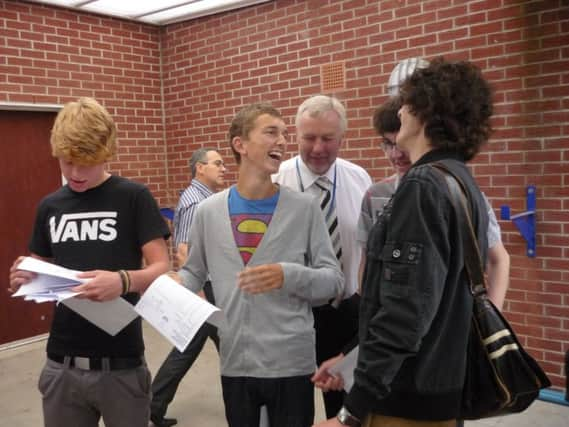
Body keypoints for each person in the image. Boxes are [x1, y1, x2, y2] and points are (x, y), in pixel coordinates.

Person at [314, 57, 496, 427]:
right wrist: (351, 356)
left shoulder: (422, 186)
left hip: (406, 399)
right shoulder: (458, 181)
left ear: (427, 113)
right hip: (442, 387)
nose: (400, 113)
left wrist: (352, 411)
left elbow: (403, 314)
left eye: (407, 104)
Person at [174, 103, 344, 427]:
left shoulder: (304, 209)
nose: (282, 141)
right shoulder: (207, 212)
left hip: (292, 363)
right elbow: (194, 271)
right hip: (236, 360)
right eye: (271, 132)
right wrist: (176, 282)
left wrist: (287, 275)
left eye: (284, 133)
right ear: (241, 145)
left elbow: (333, 281)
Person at [8, 97, 171, 427]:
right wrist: (22, 274)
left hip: (121, 365)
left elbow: (161, 267)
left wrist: (122, 281)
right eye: (67, 163)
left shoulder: (133, 197)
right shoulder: (50, 206)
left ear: (106, 153)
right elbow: (36, 263)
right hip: (61, 363)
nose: (76, 173)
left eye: (86, 162)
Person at [358, 97, 510, 310]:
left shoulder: (460, 193)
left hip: (447, 320)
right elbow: (367, 263)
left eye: (400, 144)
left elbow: (498, 259)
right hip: (391, 321)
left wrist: (492, 317)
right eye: (388, 144)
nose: (396, 154)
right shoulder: (375, 195)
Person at [272, 95, 372, 418]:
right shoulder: (275, 181)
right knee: (289, 409)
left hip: (346, 312)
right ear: (296, 136)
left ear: (343, 137)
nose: (317, 148)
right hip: (291, 315)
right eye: (309, 137)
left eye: (327, 138)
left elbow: (368, 247)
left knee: (344, 409)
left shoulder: (360, 180)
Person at [150, 148, 226, 427]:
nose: (223, 168)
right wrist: (199, 296)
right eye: (217, 163)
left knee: (189, 349)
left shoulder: (202, 198)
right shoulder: (196, 202)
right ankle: (245, 409)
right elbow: (184, 251)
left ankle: (153, 405)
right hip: (205, 288)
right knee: (230, 349)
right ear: (200, 169)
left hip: (207, 286)